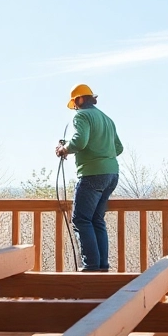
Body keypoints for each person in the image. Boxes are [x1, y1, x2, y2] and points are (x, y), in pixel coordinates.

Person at [54, 84, 124, 273]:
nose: (75, 108)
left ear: (79, 100)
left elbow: (80, 141)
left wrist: (64, 149)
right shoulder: (107, 119)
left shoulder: (82, 116)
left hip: (92, 174)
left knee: (81, 220)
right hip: (111, 174)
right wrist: (102, 152)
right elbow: (118, 148)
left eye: (75, 103)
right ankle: (102, 266)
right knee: (96, 220)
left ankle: (91, 267)